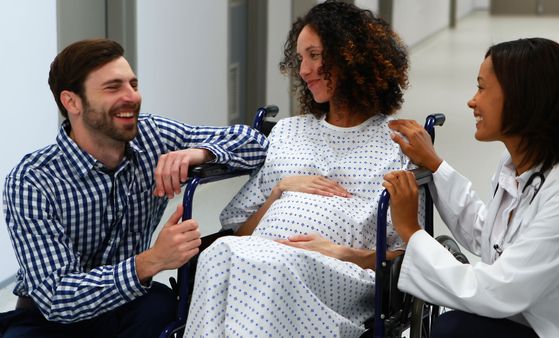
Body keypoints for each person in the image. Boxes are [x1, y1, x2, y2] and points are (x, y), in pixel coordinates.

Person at [0, 38, 268, 338]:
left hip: (129, 305)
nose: (132, 97)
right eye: (113, 87)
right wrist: (151, 261)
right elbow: (56, 295)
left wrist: (199, 153)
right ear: (71, 101)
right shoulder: (32, 180)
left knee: (162, 306)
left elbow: (255, 142)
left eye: (133, 84)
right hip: (51, 319)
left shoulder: (151, 134)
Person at [184, 2, 411, 336]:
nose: (304, 71)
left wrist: (339, 252)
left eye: (315, 56)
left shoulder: (396, 142)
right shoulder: (287, 132)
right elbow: (240, 235)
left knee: (271, 267)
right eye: (300, 59)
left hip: (337, 271)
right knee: (217, 253)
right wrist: (278, 191)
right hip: (260, 259)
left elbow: (406, 255)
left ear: (353, 57)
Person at [384, 38, 559, 338]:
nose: (472, 101)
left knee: (454, 331)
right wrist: (436, 166)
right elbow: (490, 235)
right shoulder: (518, 168)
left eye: (482, 87)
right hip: (529, 322)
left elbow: (497, 290)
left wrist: (412, 232)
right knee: (455, 327)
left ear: (523, 98)